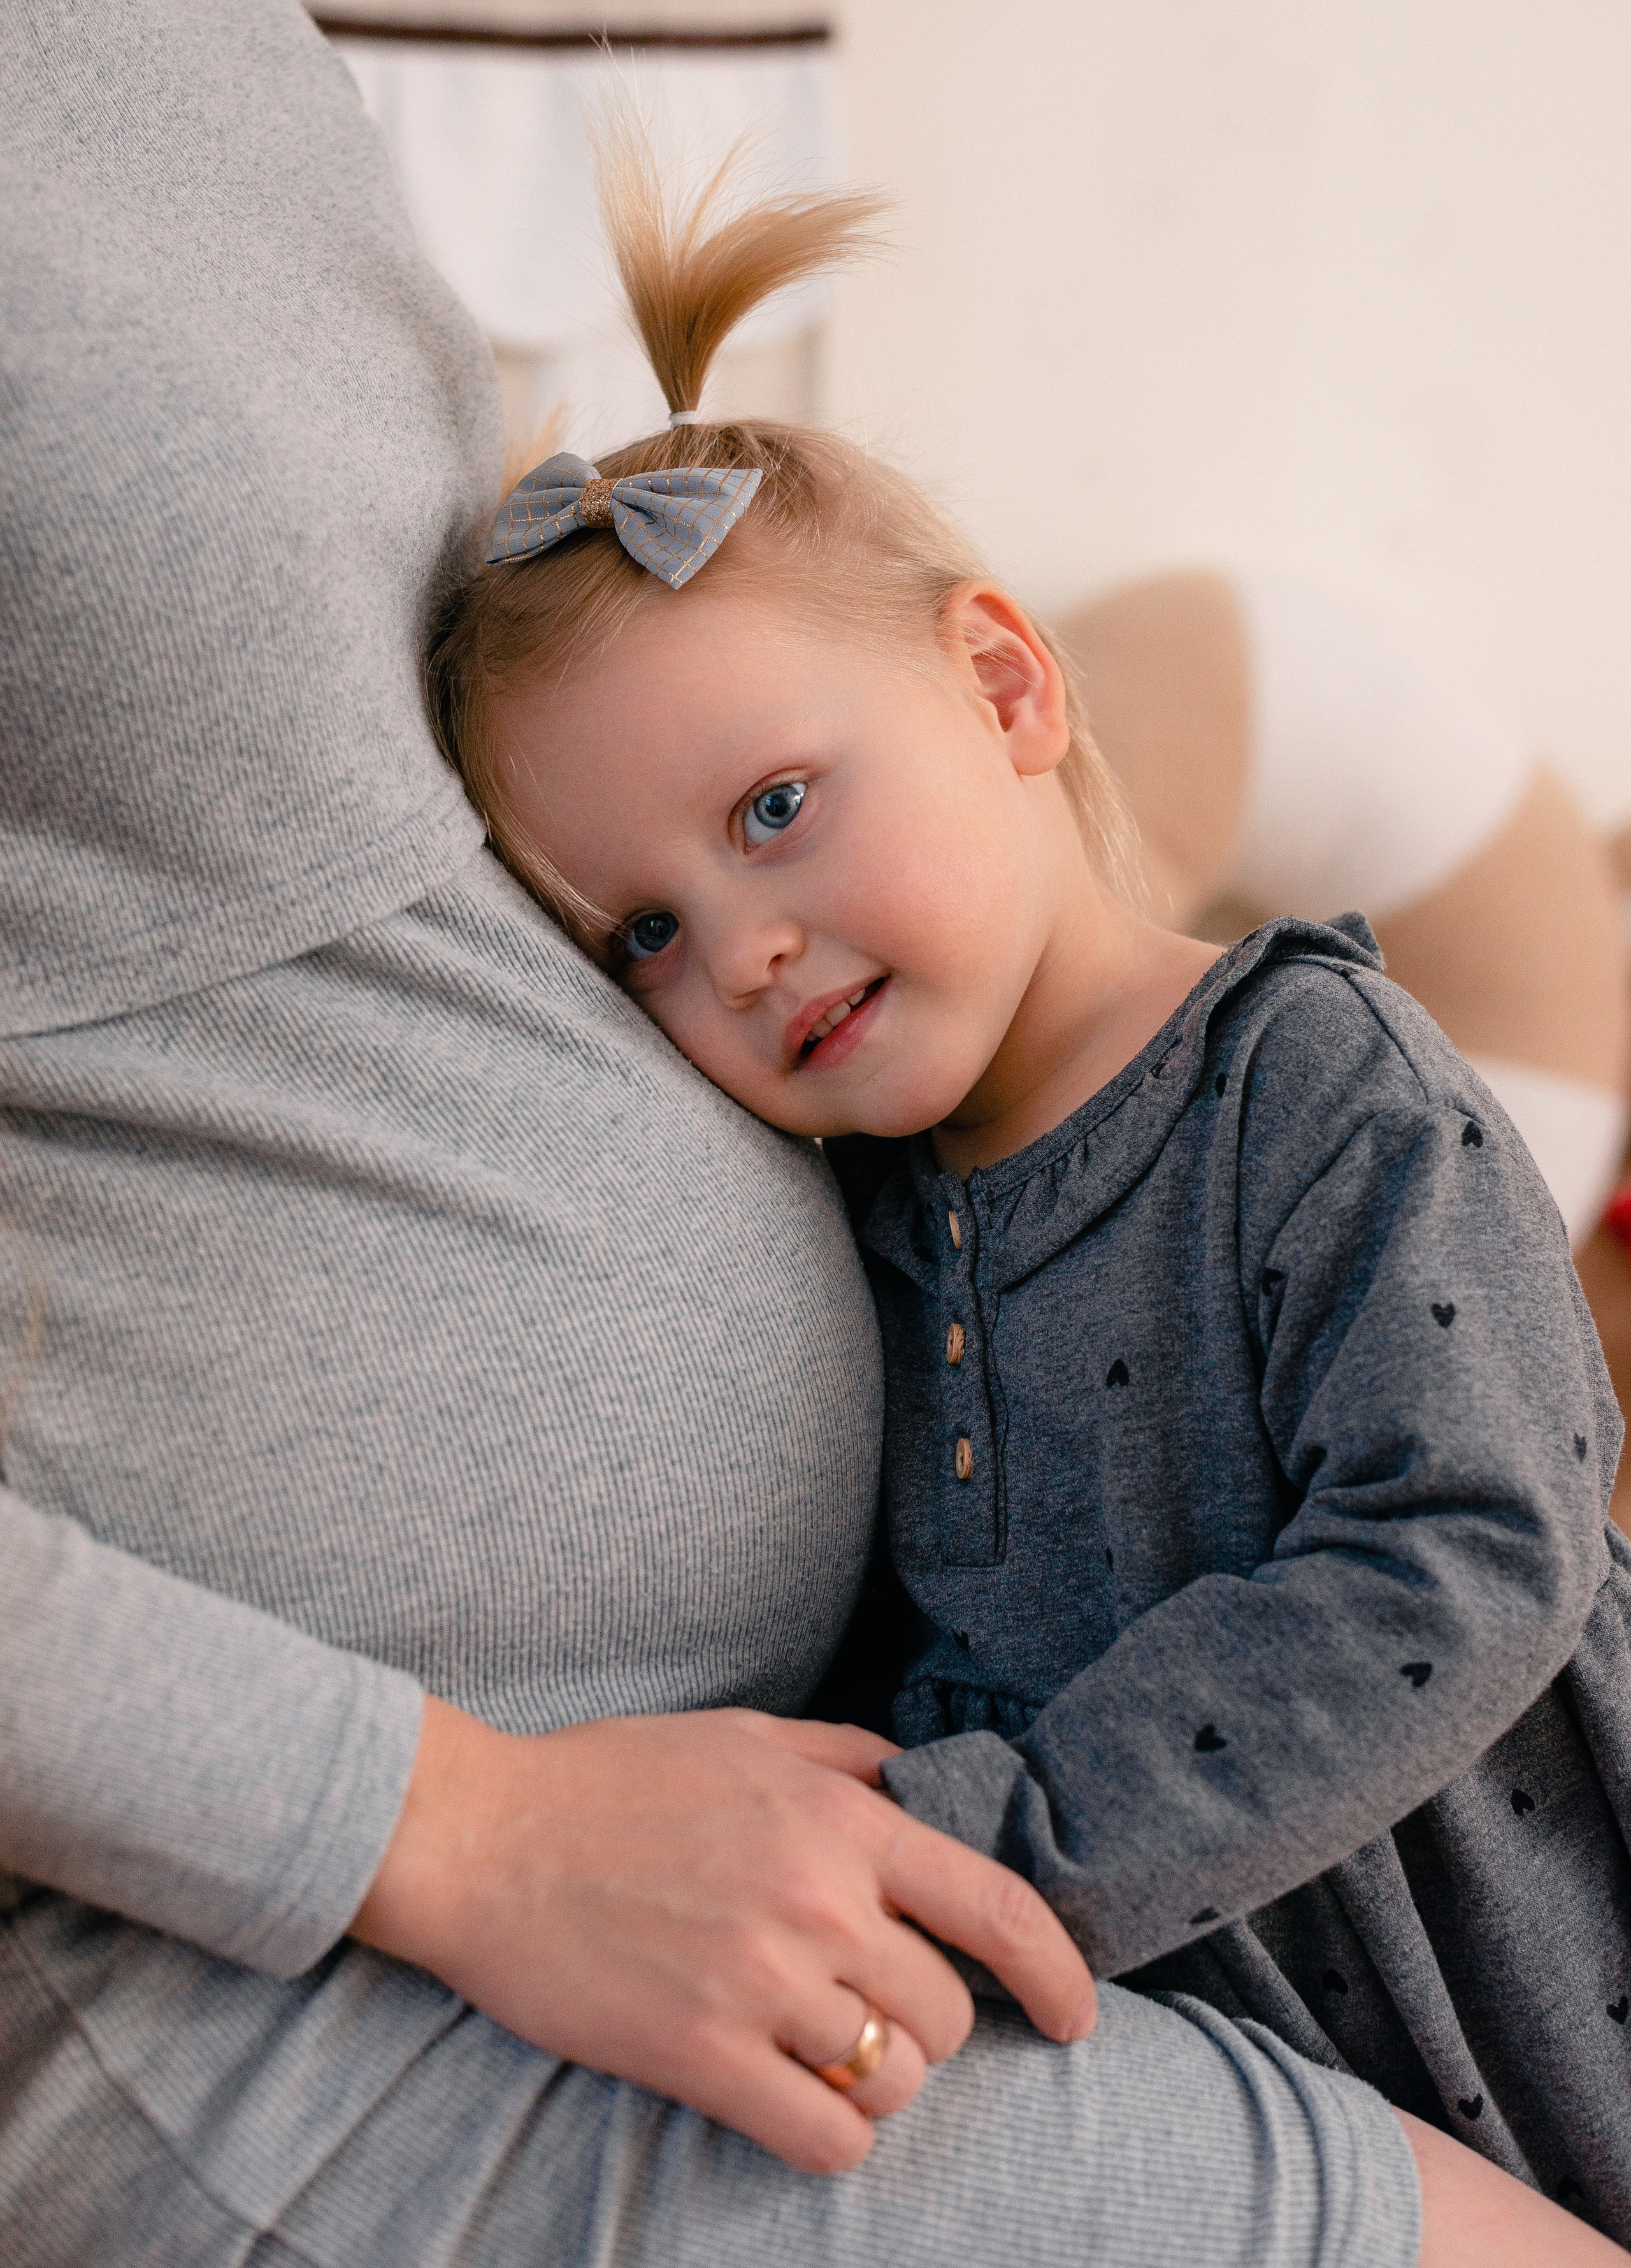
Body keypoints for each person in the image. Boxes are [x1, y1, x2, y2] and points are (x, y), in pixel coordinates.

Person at [431, 134, 1631, 2253]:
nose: (745, 949)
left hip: (1537, 1964)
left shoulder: (1310, 1077)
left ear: (1000, 686)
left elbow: (1476, 1546)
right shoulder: (883, 1231)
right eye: (645, 933)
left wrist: (995, 1842)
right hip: (1240, 2057)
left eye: (776, 809)